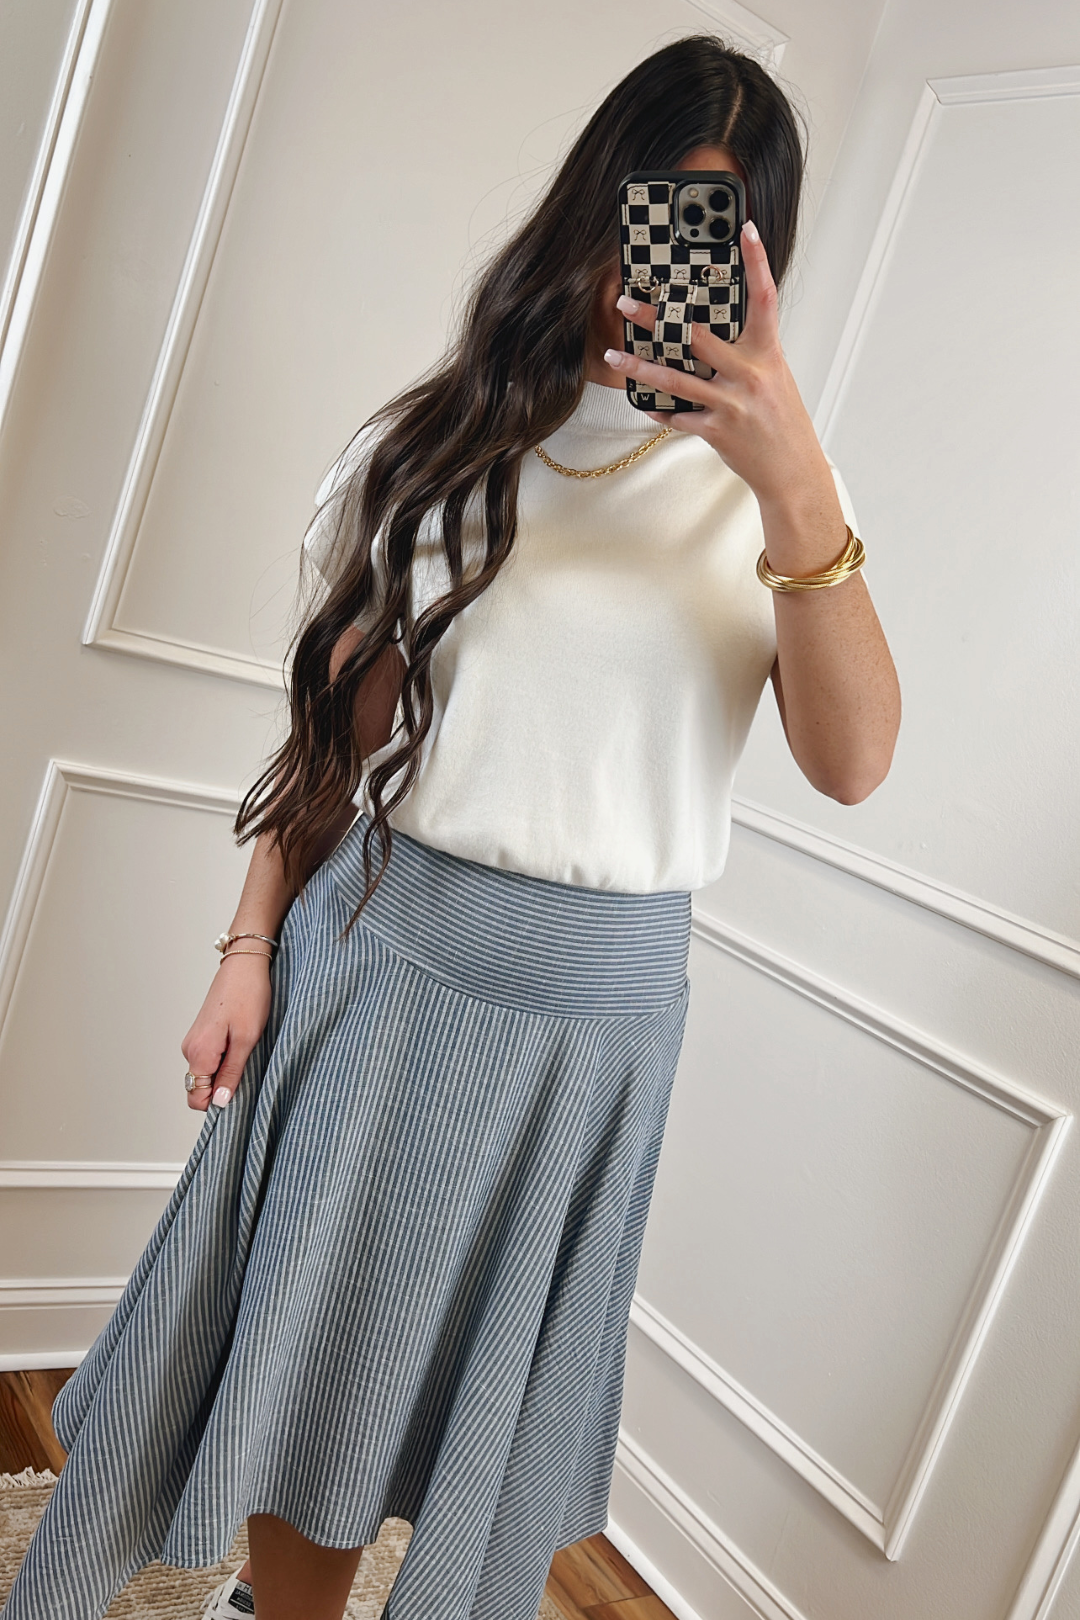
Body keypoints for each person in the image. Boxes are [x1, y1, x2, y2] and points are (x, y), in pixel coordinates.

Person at [0, 33, 900, 1620]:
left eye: (710, 234)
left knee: (483, 1444)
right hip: (388, 962)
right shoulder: (431, 452)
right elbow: (330, 748)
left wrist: (797, 483)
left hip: (598, 1038)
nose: (653, 274)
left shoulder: (775, 504)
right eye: (643, 217)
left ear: (758, 263)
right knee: (319, 1383)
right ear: (589, 209)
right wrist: (246, 948)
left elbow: (853, 763)